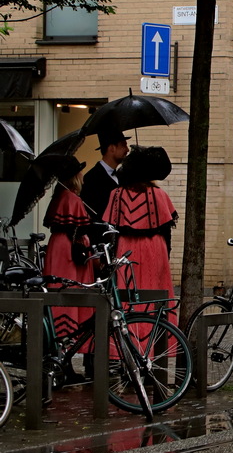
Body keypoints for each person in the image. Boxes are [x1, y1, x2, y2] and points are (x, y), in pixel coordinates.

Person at [103, 145, 178, 321]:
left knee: (126, 292)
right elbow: (167, 230)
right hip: (154, 247)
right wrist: (166, 254)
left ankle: (127, 337)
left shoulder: (116, 194)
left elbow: (111, 229)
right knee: (156, 290)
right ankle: (158, 338)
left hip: (126, 248)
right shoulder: (158, 195)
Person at [42, 158, 95, 345]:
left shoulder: (59, 197)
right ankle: (66, 342)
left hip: (58, 247)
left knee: (59, 293)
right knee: (69, 294)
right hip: (68, 251)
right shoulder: (71, 198)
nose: (82, 175)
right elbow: (80, 227)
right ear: (74, 177)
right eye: (79, 172)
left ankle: (60, 342)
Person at [80, 128, 129, 221]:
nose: (127, 149)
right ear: (112, 148)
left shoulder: (122, 176)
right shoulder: (91, 178)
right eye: (123, 145)